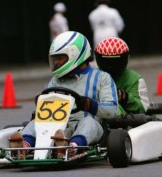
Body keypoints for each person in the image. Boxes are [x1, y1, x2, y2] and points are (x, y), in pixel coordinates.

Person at [9, 31, 118, 159]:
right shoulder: (56, 80)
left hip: (88, 127)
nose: (56, 63)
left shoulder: (101, 77)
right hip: (56, 127)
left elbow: (112, 110)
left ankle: (71, 148)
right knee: (36, 122)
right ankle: (23, 147)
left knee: (88, 122)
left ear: (75, 55)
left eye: (60, 58)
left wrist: (90, 105)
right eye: (55, 59)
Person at [94, 37, 150, 115]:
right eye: (107, 62)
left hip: (123, 123)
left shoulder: (135, 79)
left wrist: (124, 97)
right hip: (94, 118)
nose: (111, 66)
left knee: (112, 105)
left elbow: (143, 108)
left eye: (114, 62)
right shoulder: (92, 76)